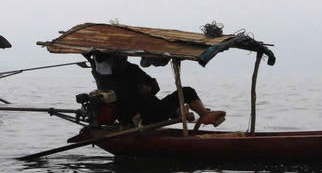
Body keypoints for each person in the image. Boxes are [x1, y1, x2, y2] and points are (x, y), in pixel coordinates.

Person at [91, 52, 226, 127]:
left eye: (122, 58)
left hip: (154, 109)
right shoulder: (103, 76)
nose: (120, 61)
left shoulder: (132, 69)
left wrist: (149, 88)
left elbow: (155, 86)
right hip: (135, 117)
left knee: (187, 91)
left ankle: (204, 114)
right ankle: (183, 113)